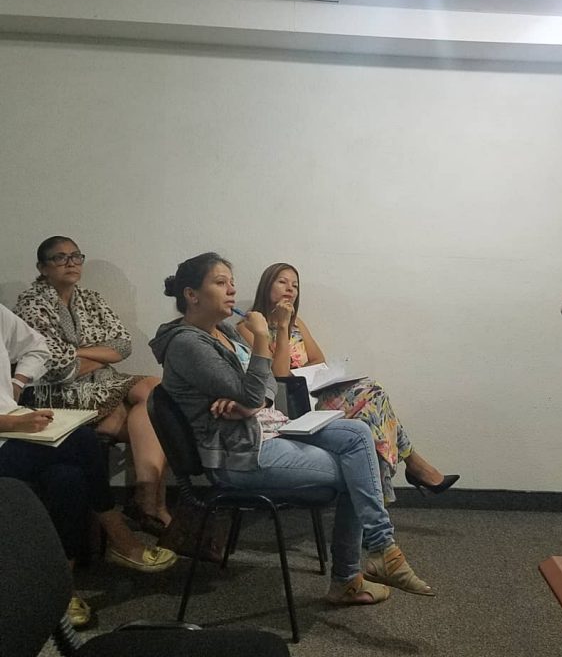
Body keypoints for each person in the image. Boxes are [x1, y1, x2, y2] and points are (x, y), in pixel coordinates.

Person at [150, 252, 436, 604]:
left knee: (359, 434)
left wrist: (253, 402)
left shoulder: (223, 332)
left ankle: (374, 555)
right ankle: (361, 567)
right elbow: (256, 389)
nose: (231, 290)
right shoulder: (187, 344)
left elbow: (271, 384)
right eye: (220, 283)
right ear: (192, 294)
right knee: (362, 466)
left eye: (231, 282)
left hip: (268, 430)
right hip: (240, 454)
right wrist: (260, 342)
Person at [0, 303, 176, 629]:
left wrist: (17, 384)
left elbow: (37, 346)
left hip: (13, 430)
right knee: (82, 441)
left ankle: (62, 588)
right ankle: (121, 539)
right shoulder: (35, 300)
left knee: (67, 478)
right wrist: (7, 422)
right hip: (6, 433)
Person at [238, 263, 459, 504]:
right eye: (282, 282)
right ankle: (407, 470)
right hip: (289, 403)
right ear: (266, 285)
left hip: (312, 391)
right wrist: (282, 327)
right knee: (372, 403)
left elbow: (318, 359)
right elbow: (279, 376)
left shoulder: (297, 324)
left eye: (295, 285)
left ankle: (394, 480)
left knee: (373, 396)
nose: (290, 289)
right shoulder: (249, 327)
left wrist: (297, 363)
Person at [14, 236, 170, 533]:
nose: (71, 263)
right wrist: (98, 353)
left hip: (102, 383)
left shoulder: (91, 298)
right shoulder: (31, 304)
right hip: (55, 392)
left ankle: (147, 502)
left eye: (76, 256)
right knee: (160, 424)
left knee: (156, 389)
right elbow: (56, 367)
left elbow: (123, 345)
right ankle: (151, 505)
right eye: (60, 258)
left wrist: (75, 352)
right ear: (43, 267)